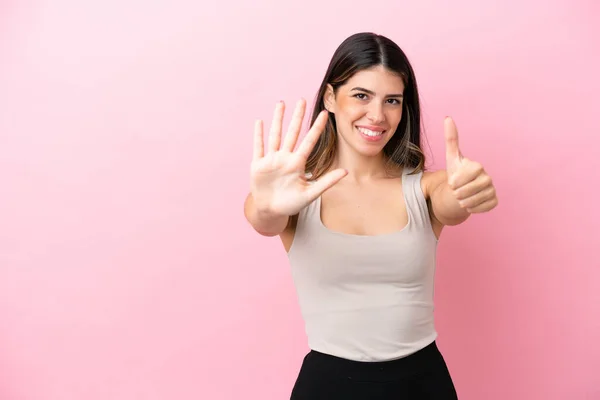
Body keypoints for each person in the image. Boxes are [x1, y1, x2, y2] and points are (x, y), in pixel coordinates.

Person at [243, 32, 498, 400]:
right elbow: (262, 218)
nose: (377, 115)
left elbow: (451, 203)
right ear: (331, 97)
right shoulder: (295, 194)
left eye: (392, 100)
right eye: (361, 95)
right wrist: (268, 204)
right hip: (328, 385)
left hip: (423, 384)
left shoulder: (424, 188)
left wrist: (467, 191)